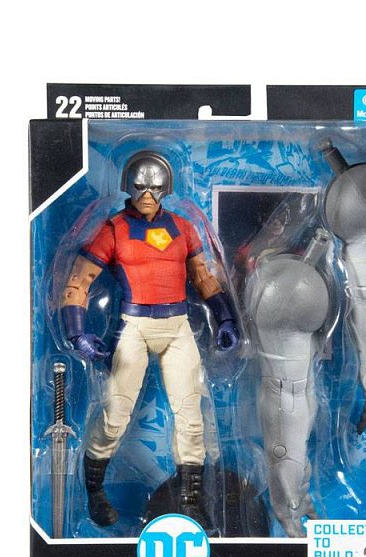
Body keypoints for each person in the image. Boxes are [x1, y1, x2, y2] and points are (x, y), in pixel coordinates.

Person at [60, 151, 239, 527]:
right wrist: (77, 332)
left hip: (177, 326)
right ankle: (94, 490)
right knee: (115, 415)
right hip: (134, 326)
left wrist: (225, 317)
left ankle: (190, 502)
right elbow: (79, 280)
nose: (146, 195)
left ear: (166, 189)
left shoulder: (183, 228)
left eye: (154, 188)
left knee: (191, 418)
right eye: (139, 187)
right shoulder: (113, 229)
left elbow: (204, 278)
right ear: (128, 186)